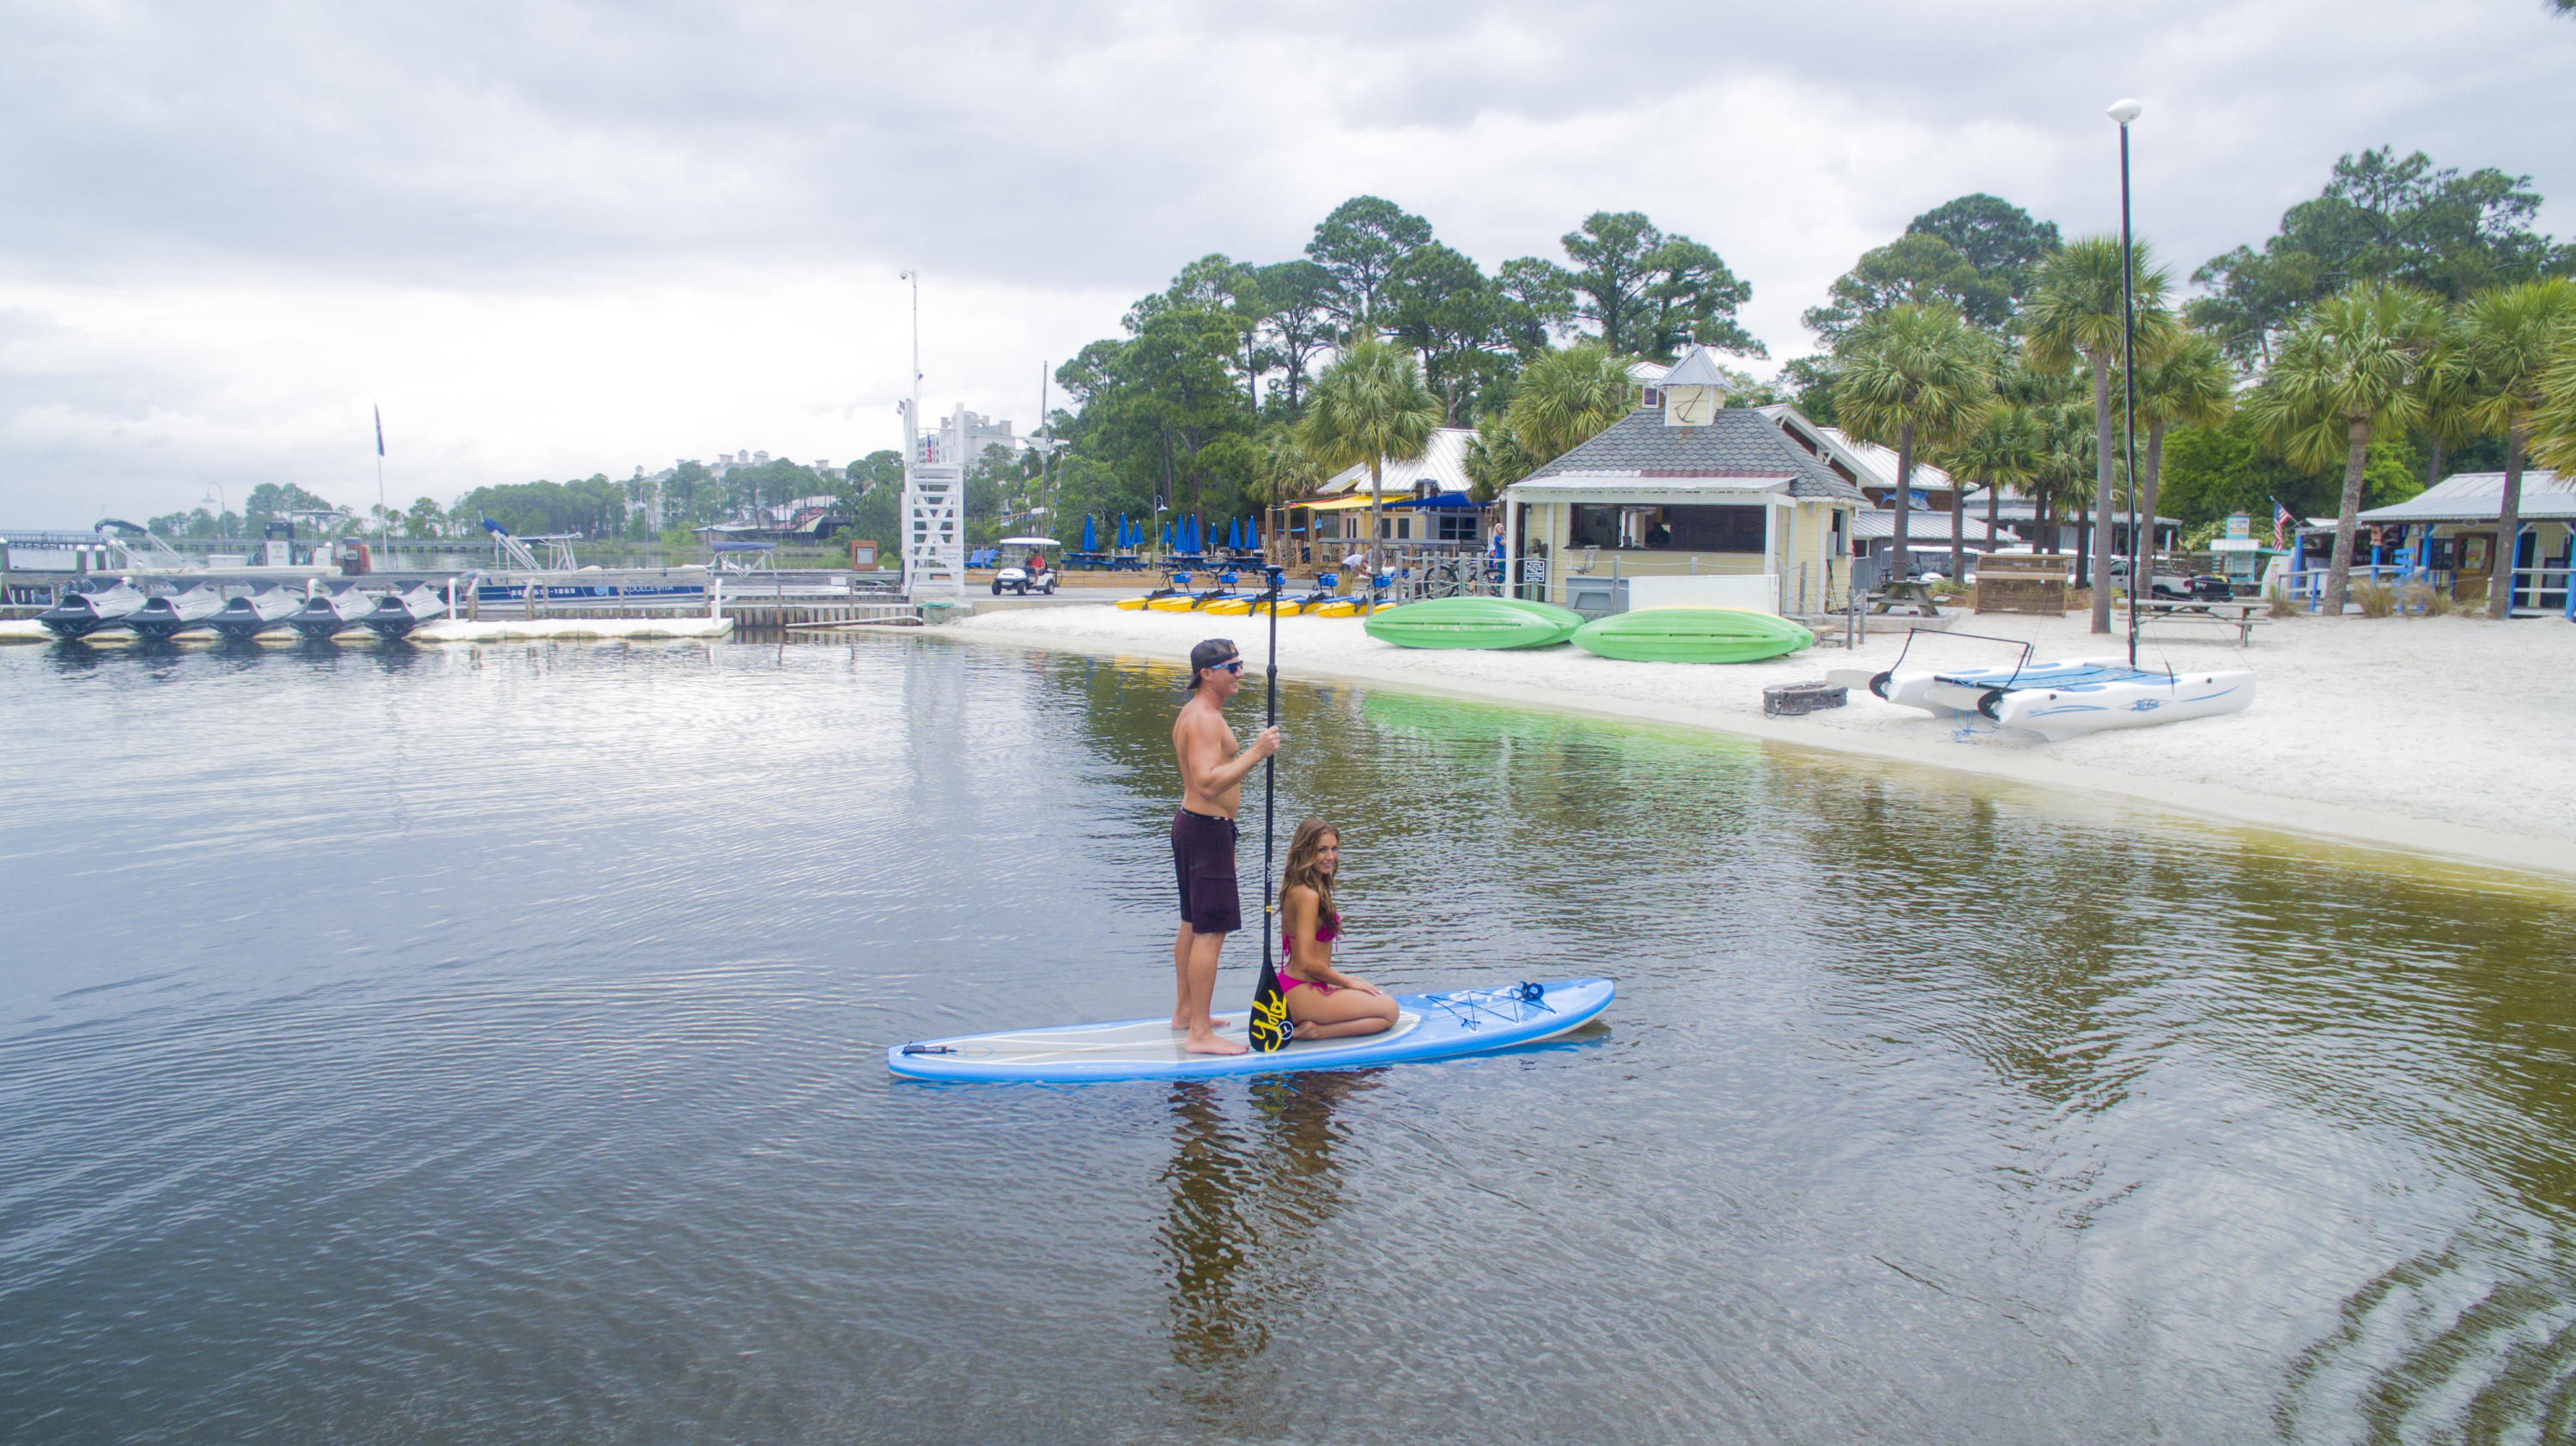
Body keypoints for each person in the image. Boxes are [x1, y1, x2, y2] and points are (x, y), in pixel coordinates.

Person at [1169, 637, 1280, 1055]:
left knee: (1191, 923)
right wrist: (1257, 752)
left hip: (1200, 828)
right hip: (1204, 829)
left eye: (1241, 665)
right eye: (1232, 667)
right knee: (1210, 931)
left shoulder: (1201, 713)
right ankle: (1199, 1032)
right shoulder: (1202, 719)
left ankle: (1185, 1013)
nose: (1241, 674)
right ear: (1206, 674)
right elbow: (1207, 782)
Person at [1275, 819, 1398, 1040]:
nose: (1330, 856)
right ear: (1306, 851)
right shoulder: (1307, 895)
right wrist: (1347, 981)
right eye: (1322, 850)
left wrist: (1341, 981)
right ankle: (1313, 1032)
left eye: (1334, 849)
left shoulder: (1299, 885)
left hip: (1302, 986)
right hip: (1301, 991)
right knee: (1389, 1012)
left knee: (1374, 996)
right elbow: (1307, 962)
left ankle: (1313, 1022)